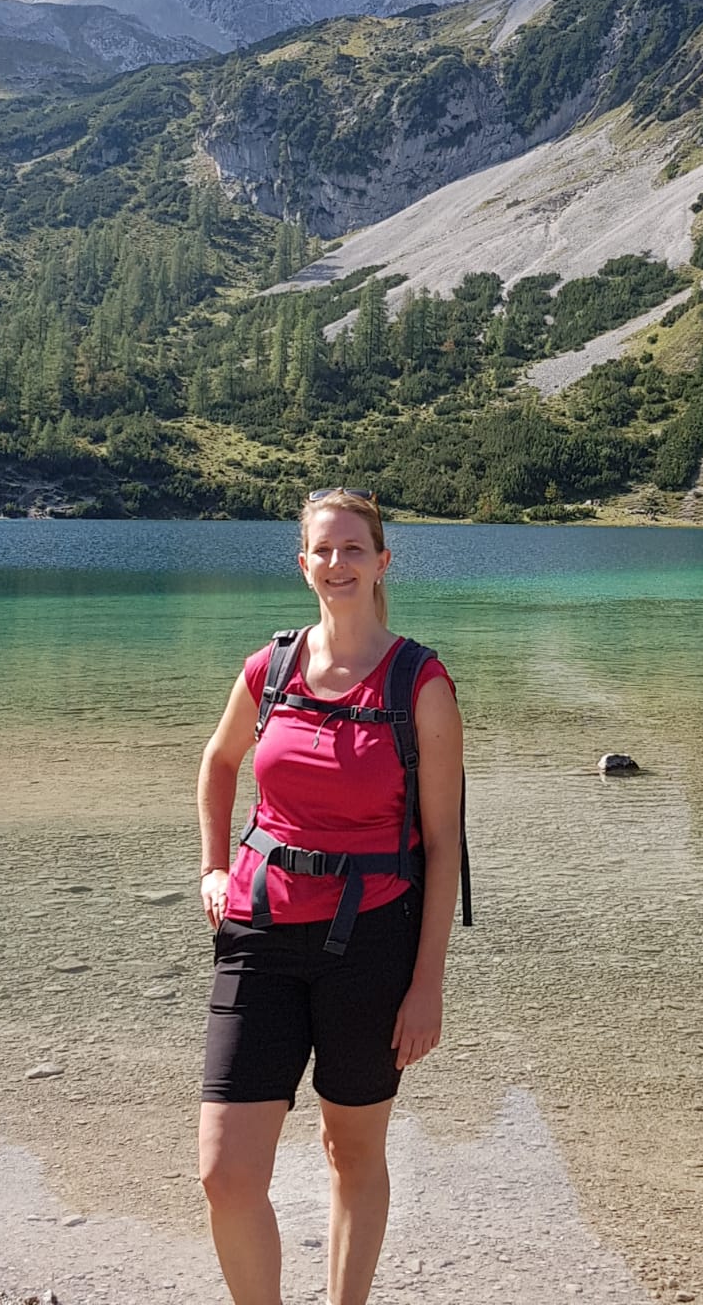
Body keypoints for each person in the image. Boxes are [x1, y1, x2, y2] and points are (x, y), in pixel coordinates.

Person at [197, 488, 464, 1305]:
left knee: (351, 1152)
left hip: (372, 942)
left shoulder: (420, 683)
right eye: (324, 549)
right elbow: (218, 764)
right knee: (224, 1172)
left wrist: (427, 985)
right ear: (302, 562)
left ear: (383, 562)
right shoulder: (270, 667)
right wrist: (213, 869)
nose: (338, 563)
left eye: (354, 549)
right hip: (258, 932)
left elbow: (444, 846)